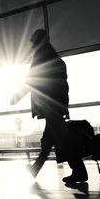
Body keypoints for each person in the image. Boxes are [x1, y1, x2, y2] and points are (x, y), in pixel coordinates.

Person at [10, 29, 88, 183]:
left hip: (50, 108)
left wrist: (16, 97)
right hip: (57, 107)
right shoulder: (56, 59)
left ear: (37, 42)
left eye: (33, 43)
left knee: (62, 142)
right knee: (49, 140)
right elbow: (64, 86)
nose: (31, 47)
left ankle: (79, 171)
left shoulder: (41, 57)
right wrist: (64, 107)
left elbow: (32, 81)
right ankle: (37, 168)